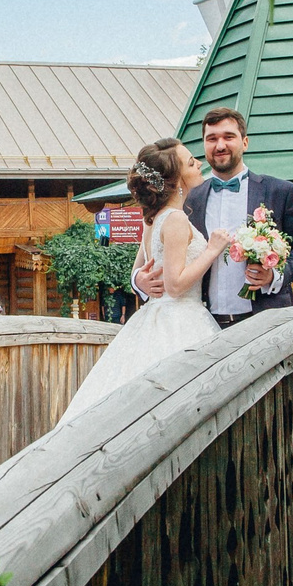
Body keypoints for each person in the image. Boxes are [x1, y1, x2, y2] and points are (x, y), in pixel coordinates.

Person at [59, 140, 231, 418]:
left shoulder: (153, 219)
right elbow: (175, 285)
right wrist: (211, 250)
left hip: (155, 314)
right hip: (180, 319)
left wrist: (138, 278)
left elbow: (138, 268)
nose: (199, 164)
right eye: (191, 163)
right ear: (176, 180)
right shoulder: (175, 219)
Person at [135, 108, 293, 327]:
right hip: (204, 322)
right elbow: (158, 253)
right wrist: (137, 280)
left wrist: (273, 276)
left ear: (245, 142)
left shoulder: (279, 191)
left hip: (266, 320)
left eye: (228, 137)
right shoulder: (188, 197)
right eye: (212, 139)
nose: (220, 146)